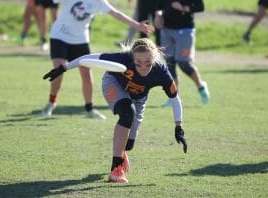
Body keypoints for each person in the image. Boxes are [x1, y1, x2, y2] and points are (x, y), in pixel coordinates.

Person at [43, 38, 187, 183]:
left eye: (148, 63)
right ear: (132, 57)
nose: (143, 67)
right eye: (138, 63)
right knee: (127, 114)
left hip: (139, 98)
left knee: (129, 144)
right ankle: (116, 169)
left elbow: (175, 99)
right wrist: (63, 68)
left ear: (155, 58)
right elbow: (87, 58)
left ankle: (122, 152)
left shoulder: (161, 72)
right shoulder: (122, 58)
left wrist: (178, 126)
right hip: (113, 83)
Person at [41, 0, 154, 119]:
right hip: (59, 36)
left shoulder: (98, 1)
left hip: (80, 40)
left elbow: (116, 13)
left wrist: (137, 25)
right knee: (58, 70)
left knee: (87, 75)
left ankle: (89, 109)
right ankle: (51, 103)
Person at [154, 0, 210, 106]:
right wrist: (158, 15)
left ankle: (201, 87)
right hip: (167, 29)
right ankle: (174, 98)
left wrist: (183, 8)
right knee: (170, 63)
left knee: (184, 64)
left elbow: (200, 7)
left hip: (185, 30)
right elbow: (160, 6)